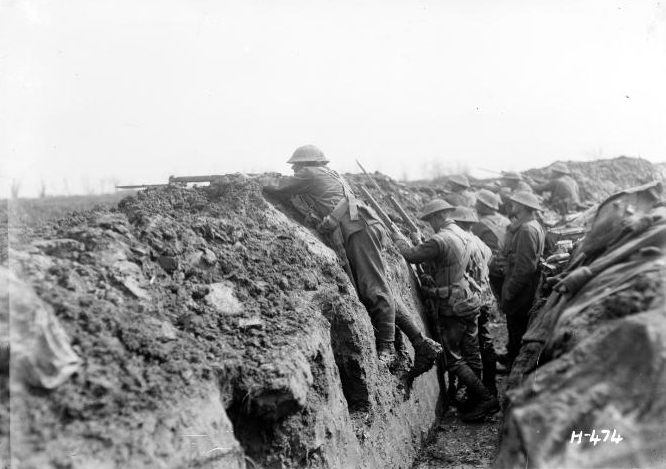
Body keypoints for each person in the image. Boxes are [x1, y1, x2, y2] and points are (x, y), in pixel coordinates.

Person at [259, 145, 441, 376]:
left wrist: (249, 180)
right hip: (363, 227)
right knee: (378, 283)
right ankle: (419, 341)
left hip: (359, 229)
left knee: (373, 288)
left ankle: (387, 348)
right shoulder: (331, 175)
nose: (295, 169)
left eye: (297, 165)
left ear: (307, 164)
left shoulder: (311, 174)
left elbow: (278, 186)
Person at [391, 199, 499, 421]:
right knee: (471, 353)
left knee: (453, 359)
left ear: (438, 217)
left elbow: (411, 255)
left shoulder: (441, 238)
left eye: (431, 220)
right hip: (470, 302)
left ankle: (485, 397)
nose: (430, 224)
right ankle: (475, 398)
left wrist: (399, 240)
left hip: (452, 307)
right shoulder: (467, 236)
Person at [450, 206, 498, 397]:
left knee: (470, 346)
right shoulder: (480, 242)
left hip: (472, 299)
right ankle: (490, 386)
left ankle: (478, 394)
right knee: (485, 340)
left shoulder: (462, 242)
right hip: (485, 296)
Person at [495, 191, 545, 370]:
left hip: (522, 287)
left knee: (517, 326)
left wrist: (510, 290)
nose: (511, 205)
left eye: (515, 203)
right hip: (523, 285)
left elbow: (525, 267)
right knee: (515, 326)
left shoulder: (526, 229)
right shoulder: (531, 225)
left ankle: (513, 365)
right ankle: (511, 356)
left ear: (523, 207)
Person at [472, 189, 511, 299]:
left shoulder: (479, 224)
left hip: (492, 267)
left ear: (486, 206)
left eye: (478, 202)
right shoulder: (506, 220)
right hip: (508, 264)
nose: (475, 205)